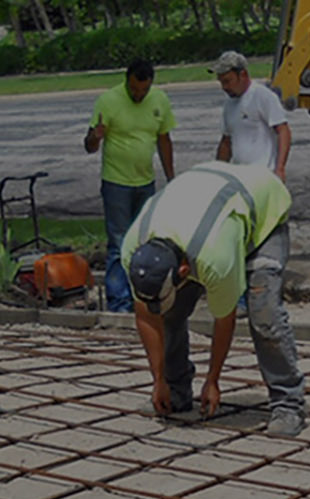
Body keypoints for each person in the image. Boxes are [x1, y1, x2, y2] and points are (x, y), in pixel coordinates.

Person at [123, 161, 305, 436]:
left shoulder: (214, 258)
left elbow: (224, 318)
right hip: (208, 203)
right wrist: (158, 380)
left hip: (262, 208)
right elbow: (146, 316)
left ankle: (288, 405)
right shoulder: (134, 252)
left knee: (263, 311)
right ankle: (176, 391)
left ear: (183, 271)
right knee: (170, 310)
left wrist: (213, 380)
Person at [86, 59, 177, 313]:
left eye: (143, 90)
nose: (138, 95)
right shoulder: (109, 100)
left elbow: (164, 140)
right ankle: (120, 303)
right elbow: (90, 145)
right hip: (117, 183)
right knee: (118, 242)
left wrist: (171, 178)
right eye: (134, 89)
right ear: (127, 80)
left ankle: (141, 296)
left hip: (145, 181)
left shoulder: (159, 100)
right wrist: (96, 136)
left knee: (142, 242)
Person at [210, 51, 291, 181]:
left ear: (243, 75)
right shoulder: (229, 103)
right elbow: (226, 141)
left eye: (227, 81)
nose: (224, 87)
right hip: (239, 177)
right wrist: (218, 172)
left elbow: (283, 130)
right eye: (221, 82)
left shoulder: (263, 96)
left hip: (264, 175)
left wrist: (280, 168)